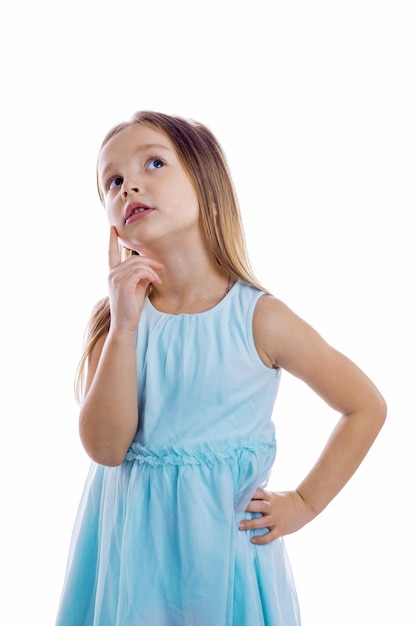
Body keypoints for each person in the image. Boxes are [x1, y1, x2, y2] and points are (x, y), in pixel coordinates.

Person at [55, 111, 386, 626]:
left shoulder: (259, 318)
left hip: (223, 554)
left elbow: (365, 406)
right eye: (112, 181)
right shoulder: (118, 321)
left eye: (154, 163)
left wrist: (303, 503)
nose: (129, 185)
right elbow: (105, 448)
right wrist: (123, 326)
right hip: (131, 556)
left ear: (206, 181)